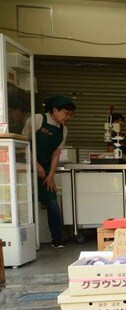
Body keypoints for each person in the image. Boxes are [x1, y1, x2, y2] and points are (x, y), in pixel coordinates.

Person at [22, 95, 74, 249]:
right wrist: (35, 164)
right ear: (55, 110)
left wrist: (51, 175)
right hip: (26, 169)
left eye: (71, 115)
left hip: (45, 173)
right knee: (27, 205)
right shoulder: (37, 120)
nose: (68, 117)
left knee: (52, 204)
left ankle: (56, 240)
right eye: (65, 113)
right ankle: (27, 242)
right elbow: (24, 143)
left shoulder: (63, 130)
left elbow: (56, 154)